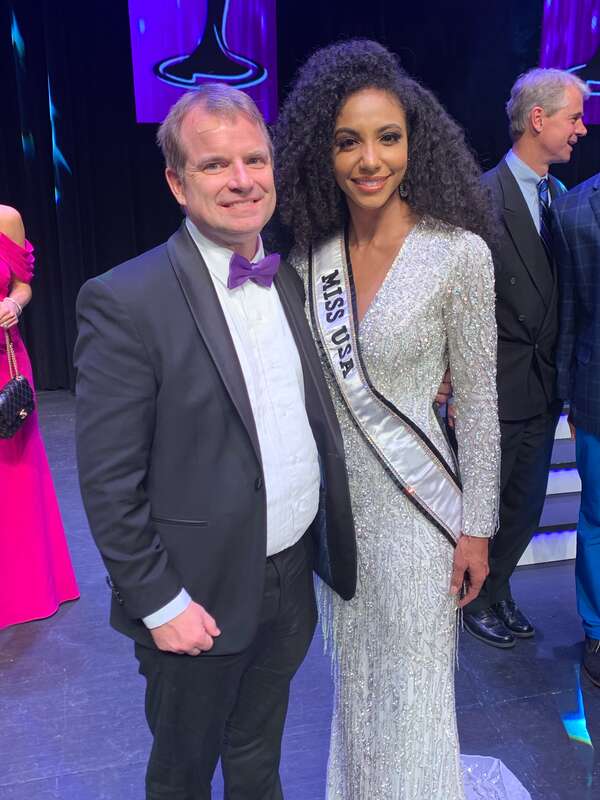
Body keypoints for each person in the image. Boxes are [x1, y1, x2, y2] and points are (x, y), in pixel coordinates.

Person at [74, 84, 357, 800]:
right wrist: (160, 603)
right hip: (192, 597)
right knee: (183, 775)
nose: (241, 180)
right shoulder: (123, 299)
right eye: (214, 164)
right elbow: (109, 481)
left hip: (290, 580)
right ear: (176, 181)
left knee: (258, 757)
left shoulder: (290, 279)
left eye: (254, 159)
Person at [274, 39, 517, 800]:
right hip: (338, 522)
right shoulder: (310, 261)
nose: (370, 159)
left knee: (414, 703)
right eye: (349, 140)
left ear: (416, 143)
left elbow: (478, 404)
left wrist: (477, 526)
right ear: (325, 150)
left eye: (388, 137)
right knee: (359, 698)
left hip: (418, 520)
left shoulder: (458, 255)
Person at [463, 68, 589, 648]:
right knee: (489, 503)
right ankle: (475, 598)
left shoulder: (561, 198)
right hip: (495, 384)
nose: (582, 130)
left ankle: (501, 587)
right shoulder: (481, 198)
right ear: (539, 119)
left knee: (526, 504)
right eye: (574, 117)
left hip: (544, 384)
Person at [0, 205, 79, 630]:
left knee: (14, 474)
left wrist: (13, 301)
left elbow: (22, 283)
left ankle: (26, 587)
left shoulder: (6, 218)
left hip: (3, 364)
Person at [552, 173, 600, 688]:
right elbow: (567, 313)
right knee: (597, 516)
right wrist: (564, 392)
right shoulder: (573, 212)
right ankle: (597, 631)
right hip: (596, 389)